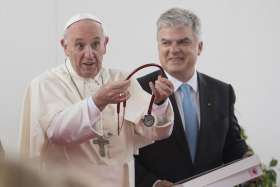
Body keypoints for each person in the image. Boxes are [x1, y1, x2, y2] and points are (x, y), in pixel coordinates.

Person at [19, 13, 174, 187]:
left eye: (95, 44)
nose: (89, 54)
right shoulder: (45, 84)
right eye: (79, 45)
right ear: (65, 46)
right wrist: (97, 102)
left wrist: (159, 103)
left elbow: (153, 131)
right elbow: (58, 133)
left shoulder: (121, 79)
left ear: (105, 45)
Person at [134, 8, 250, 187]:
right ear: (158, 47)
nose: (173, 50)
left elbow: (231, 146)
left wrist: (246, 159)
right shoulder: (138, 90)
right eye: (166, 43)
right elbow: (123, 154)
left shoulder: (222, 91)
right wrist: (153, 183)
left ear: (199, 47)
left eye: (183, 42)